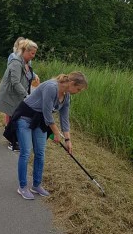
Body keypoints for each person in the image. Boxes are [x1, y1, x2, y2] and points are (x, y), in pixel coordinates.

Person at [12, 71, 88, 200]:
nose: (78, 92)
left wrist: (68, 140)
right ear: (72, 83)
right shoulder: (51, 87)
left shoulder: (67, 96)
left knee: (40, 153)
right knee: (26, 152)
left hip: (39, 120)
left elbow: (64, 118)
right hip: (25, 117)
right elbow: (48, 114)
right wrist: (56, 134)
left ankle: (36, 185)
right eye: (78, 89)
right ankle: (22, 187)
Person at [0, 38, 38, 150]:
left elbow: (27, 75)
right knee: (16, 118)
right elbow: (15, 82)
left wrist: (35, 76)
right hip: (12, 96)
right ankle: (13, 142)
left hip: (19, 95)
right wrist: (26, 96)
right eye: (32, 53)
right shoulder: (16, 63)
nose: (33, 56)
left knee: (17, 118)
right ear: (25, 51)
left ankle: (15, 140)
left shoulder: (26, 62)